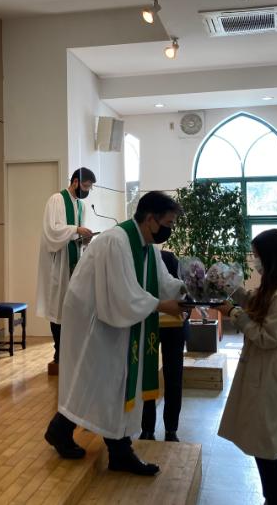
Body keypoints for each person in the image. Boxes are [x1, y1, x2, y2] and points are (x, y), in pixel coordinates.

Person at [44, 192, 186, 475]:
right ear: (151, 219)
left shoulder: (147, 248)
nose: (169, 229)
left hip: (116, 321)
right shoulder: (115, 241)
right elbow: (122, 295)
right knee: (101, 382)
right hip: (94, 322)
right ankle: (88, 440)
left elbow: (163, 282)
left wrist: (189, 289)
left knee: (111, 384)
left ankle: (107, 446)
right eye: (168, 223)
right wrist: (161, 306)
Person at [217, 229, 277, 505]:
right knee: (262, 442)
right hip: (265, 369)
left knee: (267, 445)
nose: (255, 262)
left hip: (274, 373)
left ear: (272, 256)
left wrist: (234, 313)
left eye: (258, 256)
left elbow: (267, 337)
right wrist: (232, 289)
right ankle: (273, 498)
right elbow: (258, 301)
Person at [36, 168, 96, 374]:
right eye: (86, 186)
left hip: (75, 262)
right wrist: (75, 230)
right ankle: (59, 353)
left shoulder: (81, 205)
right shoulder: (56, 200)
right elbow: (51, 231)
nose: (87, 191)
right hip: (59, 263)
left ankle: (73, 351)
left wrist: (85, 238)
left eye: (90, 188)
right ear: (76, 182)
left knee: (74, 307)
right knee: (59, 308)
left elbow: (77, 235)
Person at [140, 249, 188, 443]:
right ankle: (147, 428)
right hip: (149, 325)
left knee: (174, 378)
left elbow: (187, 291)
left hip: (174, 326)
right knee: (147, 377)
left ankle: (171, 429)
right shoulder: (137, 258)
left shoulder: (168, 258)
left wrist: (185, 310)